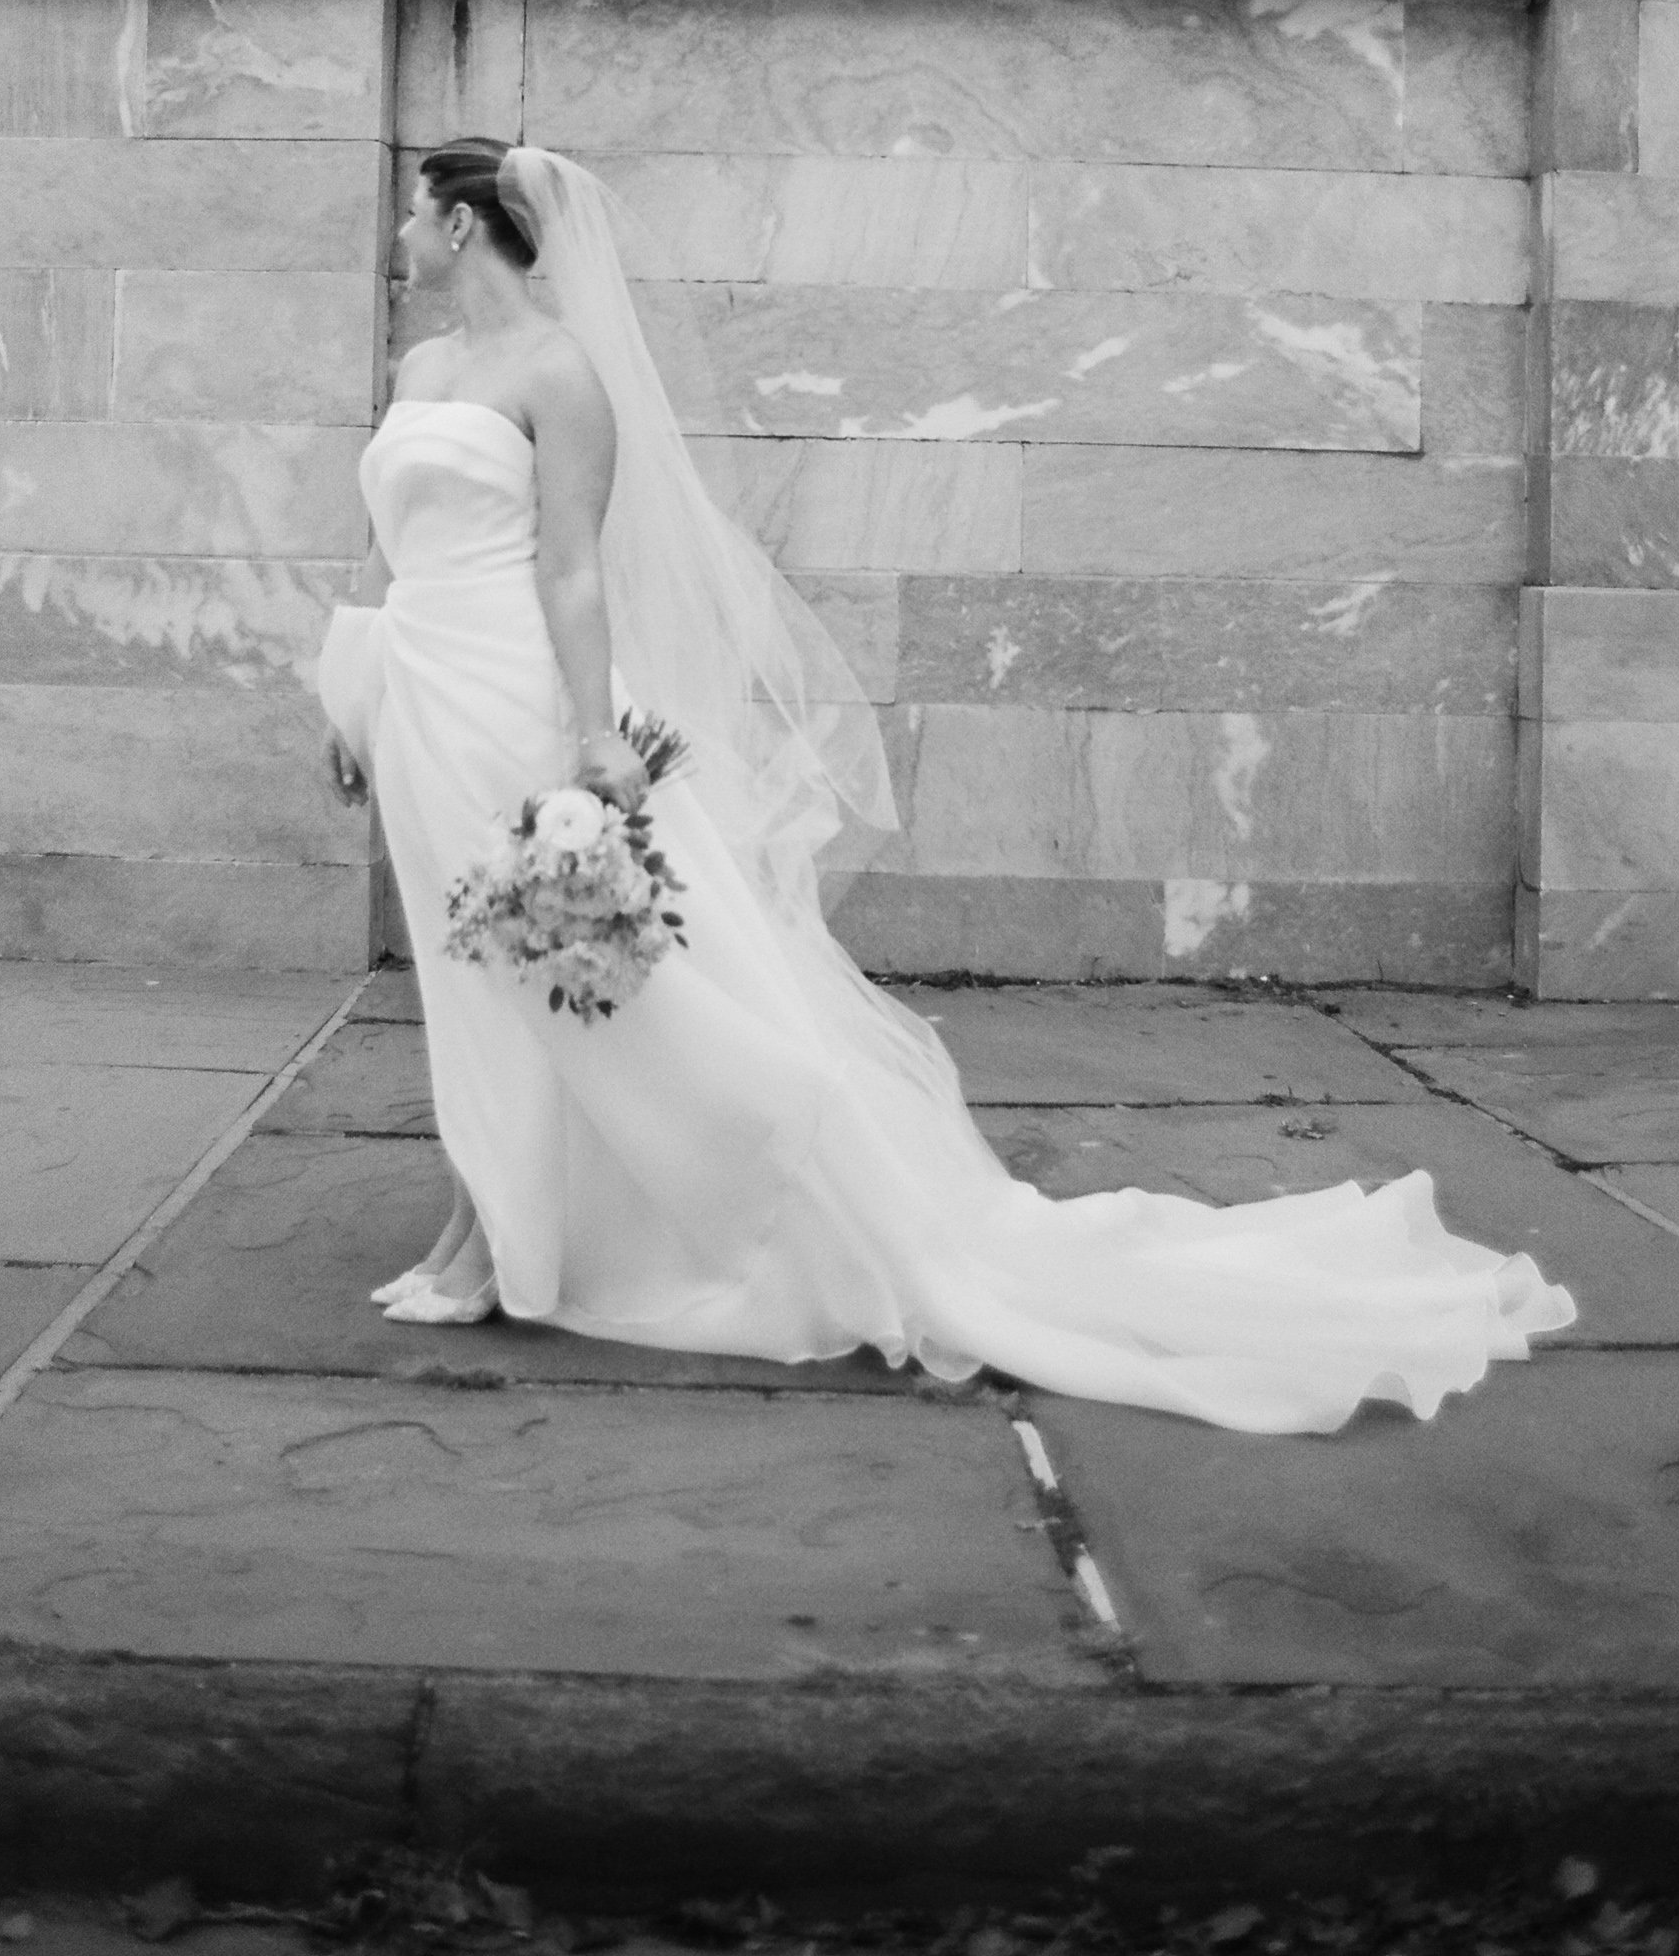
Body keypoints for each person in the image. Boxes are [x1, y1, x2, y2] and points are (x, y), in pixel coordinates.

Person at [320, 136, 1575, 1433]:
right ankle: (484, 1231)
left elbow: (573, 571)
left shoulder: (559, 372)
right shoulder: (423, 368)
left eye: (414, 213)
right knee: (461, 974)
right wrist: (346, 690)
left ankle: (533, 1236)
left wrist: (597, 749)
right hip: (423, 695)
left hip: (520, 701)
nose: (398, 236)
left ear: (464, 225)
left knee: (539, 981)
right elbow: (381, 552)